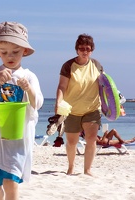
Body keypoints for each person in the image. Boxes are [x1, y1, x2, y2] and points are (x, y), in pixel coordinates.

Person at [0, 21, 44, 200]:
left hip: (16, 141)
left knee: (10, 184)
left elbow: (37, 103)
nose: (9, 56)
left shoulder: (29, 76)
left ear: (25, 51)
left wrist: (28, 88)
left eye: (15, 51)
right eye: (4, 52)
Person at [55, 34, 103, 176]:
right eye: (81, 48)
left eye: (87, 49)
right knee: (71, 142)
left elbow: (105, 86)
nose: (84, 51)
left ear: (91, 50)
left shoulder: (96, 65)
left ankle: (87, 170)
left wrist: (116, 104)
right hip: (72, 110)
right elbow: (62, 86)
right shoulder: (68, 65)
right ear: (77, 49)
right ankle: (71, 167)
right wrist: (58, 102)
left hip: (92, 109)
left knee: (91, 139)